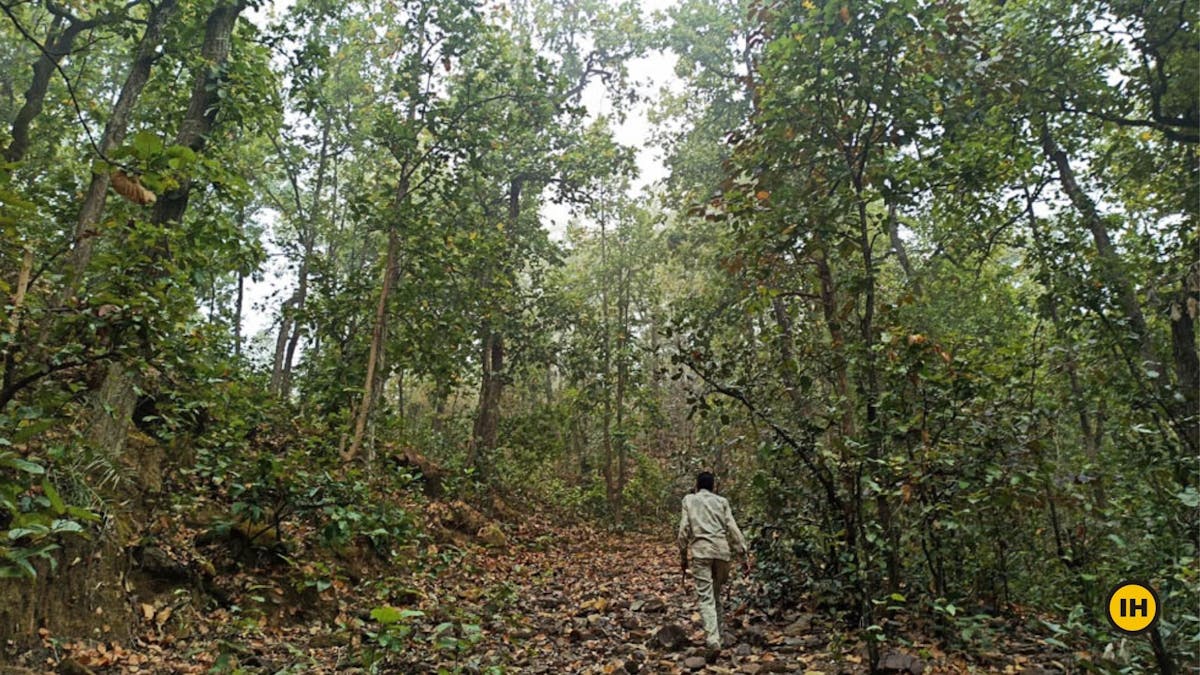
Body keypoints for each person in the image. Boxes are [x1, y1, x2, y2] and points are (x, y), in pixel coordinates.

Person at [677, 471, 750, 657]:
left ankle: (712, 639)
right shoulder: (722, 502)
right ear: (713, 486)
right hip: (722, 553)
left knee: (706, 597)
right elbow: (732, 528)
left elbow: (684, 530)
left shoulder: (689, 500)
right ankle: (720, 636)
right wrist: (743, 555)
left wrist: (683, 557)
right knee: (715, 594)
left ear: (696, 485)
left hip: (701, 553)